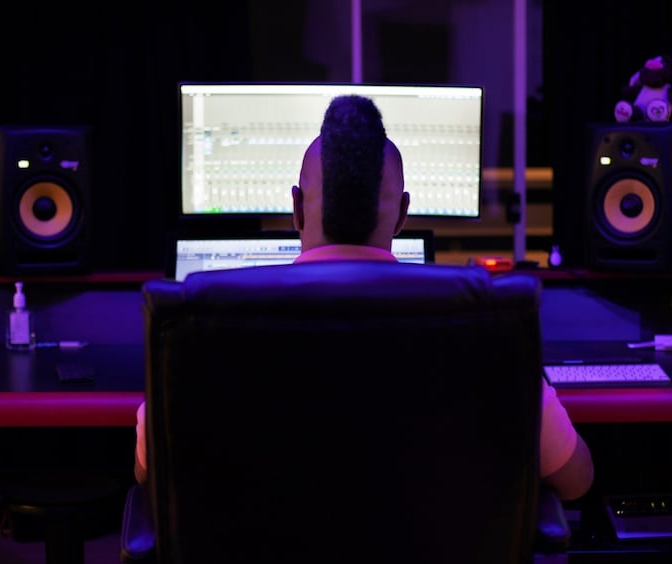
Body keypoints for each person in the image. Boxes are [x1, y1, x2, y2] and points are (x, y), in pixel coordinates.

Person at [134, 94, 594, 501]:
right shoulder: (489, 327)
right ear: (402, 216)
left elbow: (146, 470)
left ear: (296, 209)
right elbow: (575, 480)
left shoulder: (200, 324)